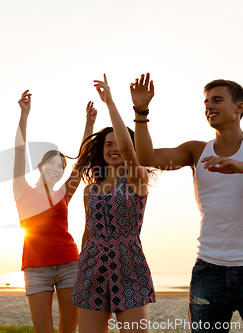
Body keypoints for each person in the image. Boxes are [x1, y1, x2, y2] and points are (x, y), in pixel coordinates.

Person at [132, 73, 243, 332]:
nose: (209, 107)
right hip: (208, 269)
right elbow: (145, 156)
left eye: (217, 100)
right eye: (206, 102)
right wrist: (141, 110)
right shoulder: (196, 151)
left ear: (239, 107)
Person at [72, 75, 155, 333]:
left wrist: (110, 102)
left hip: (128, 263)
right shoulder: (90, 191)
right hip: (91, 266)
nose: (114, 148)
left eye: (119, 143)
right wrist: (82, 264)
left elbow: (131, 152)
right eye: (108, 145)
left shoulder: (137, 179)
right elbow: (88, 233)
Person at [13, 90, 97, 333]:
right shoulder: (22, 190)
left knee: (68, 329)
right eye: (51, 163)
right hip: (36, 268)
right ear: (39, 167)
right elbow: (19, 151)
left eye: (60, 166)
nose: (56, 168)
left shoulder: (62, 194)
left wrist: (89, 123)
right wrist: (24, 115)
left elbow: (81, 163)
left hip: (70, 264)